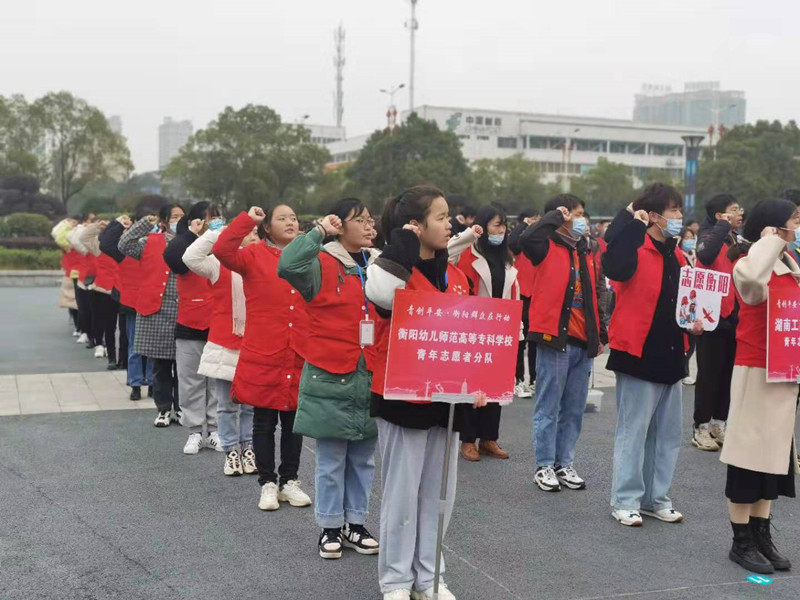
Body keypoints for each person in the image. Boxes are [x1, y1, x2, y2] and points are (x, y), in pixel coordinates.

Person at [365, 185, 487, 600]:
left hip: (447, 398)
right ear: (414, 226)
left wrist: (481, 383)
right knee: (402, 494)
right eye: (439, 216)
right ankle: (396, 580)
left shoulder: (456, 275)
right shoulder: (391, 271)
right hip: (403, 396)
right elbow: (381, 295)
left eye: (448, 215)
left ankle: (429, 576)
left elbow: (471, 337)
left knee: (439, 494)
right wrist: (402, 239)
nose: (449, 223)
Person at [278, 197, 381, 560]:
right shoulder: (321, 261)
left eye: (371, 220)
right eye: (360, 221)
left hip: (369, 371)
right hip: (329, 372)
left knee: (364, 459)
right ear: (341, 226)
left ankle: (355, 522)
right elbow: (287, 264)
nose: (369, 227)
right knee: (332, 458)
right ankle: (330, 526)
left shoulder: (376, 263)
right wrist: (319, 231)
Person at [602, 183, 694, 527]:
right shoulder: (634, 246)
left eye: (680, 211)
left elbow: (687, 299)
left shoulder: (678, 253)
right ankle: (625, 499)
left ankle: (656, 498)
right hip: (637, 352)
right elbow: (615, 268)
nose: (679, 217)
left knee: (667, 435)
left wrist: (695, 325)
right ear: (654, 215)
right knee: (634, 432)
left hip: (673, 352)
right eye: (673, 211)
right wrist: (633, 223)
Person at [213, 205, 312, 511]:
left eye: (294, 217)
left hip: (298, 349)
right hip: (264, 350)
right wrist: (247, 220)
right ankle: (268, 483)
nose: (290, 222)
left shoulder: (310, 255)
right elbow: (222, 249)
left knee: (295, 420)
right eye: (282, 218)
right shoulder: (253, 255)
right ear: (267, 227)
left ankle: (289, 480)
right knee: (264, 421)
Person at [721, 198, 799, 574]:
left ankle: (761, 533)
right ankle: (741, 541)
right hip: (755, 369)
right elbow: (752, 282)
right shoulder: (749, 263)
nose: (797, 226)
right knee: (747, 459)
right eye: (793, 220)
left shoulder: (789, 264)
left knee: (772, 461)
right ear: (773, 226)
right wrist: (768, 243)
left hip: (784, 371)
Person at [519, 194, 607, 492]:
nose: (582, 219)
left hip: (584, 341)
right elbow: (525, 238)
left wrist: (600, 335)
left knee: (573, 408)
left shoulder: (585, 250)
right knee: (548, 406)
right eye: (576, 214)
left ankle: (564, 462)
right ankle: (544, 464)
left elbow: (597, 294)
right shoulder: (545, 246)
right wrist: (553, 216)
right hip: (554, 339)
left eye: (584, 213)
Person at [183, 214, 259, 475]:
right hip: (225, 341)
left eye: (255, 234)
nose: (251, 237)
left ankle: (249, 448)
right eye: (246, 233)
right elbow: (189, 257)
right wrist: (222, 233)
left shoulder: (263, 263)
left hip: (255, 341)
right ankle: (231, 452)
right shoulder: (217, 264)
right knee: (226, 404)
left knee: (250, 405)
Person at [447, 205, 518, 462]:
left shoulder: (507, 258)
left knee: (494, 387)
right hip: (471, 329)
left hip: (499, 330)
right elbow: (446, 253)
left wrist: (515, 331)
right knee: (470, 388)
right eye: (497, 225)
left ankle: (489, 438)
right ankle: (467, 439)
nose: (501, 230)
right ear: (484, 226)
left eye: (504, 226)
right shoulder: (468, 252)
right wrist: (468, 235)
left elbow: (513, 294)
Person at [119, 204, 184, 427]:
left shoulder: (195, 242)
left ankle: (182, 408)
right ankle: (164, 409)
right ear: (165, 221)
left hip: (184, 310)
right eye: (174, 217)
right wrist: (146, 224)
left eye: (182, 217)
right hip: (155, 311)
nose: (179, 220)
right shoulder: (150, 242)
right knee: (160, 366)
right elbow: (124, 244)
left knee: (185, 367)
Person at [163, 203, 219, 455]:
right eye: (209, 218)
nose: (214, 222)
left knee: (217, 381)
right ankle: (195, 431)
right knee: (190, 381)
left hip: (220, 321)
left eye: (217, 217)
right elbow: (173, 258)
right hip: (190, 321)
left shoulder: (226, 241)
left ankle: (217, 429)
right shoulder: (186, 244)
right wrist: (190, 233)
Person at [692, 194, 743, 452]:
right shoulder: (708, 236)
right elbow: (706, 257)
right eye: (734, 210)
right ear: (719, 216)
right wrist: (722, 226)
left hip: (733, 316)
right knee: (709, 374)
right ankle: (700, 426)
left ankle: (718, 422)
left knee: (727, 375)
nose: (740, 213)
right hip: (711, 316)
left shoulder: (734, 238)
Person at [100, 212, 153, 400]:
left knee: (154, 347)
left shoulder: (158, 247)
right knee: (135, 346)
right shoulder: (124, 251)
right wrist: (117, 223)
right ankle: (136, 383)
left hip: (154, 302)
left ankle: (153, 383)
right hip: (132, 303)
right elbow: (105, 243)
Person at [508, 210, 540, 398]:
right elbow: (512, 244)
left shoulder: (541, 241)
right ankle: (518, 379)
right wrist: (524, 224)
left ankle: (535, 379)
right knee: (519, 341)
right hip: (521, 294)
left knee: (535, 341)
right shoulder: (520, 241)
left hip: (537, 295)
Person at [67, 213, 98, 349]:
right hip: (84, 276)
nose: (92, 223)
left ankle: (97, 338)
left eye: (94, 221)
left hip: (99, 278)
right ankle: (87, 333)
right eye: (90, 220)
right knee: (84, 309)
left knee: (96, 310)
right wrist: (80, 227)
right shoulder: (83, 241)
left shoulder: (98, 239)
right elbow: (72, 239)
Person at [51, 217, 80, 335]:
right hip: (71, 272)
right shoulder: (65, 239)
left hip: (85, 272)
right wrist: (65, 223)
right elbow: (56, 233)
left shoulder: (82, 239)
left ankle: (81, 326)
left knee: (80, 301)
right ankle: (78, 325)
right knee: (72, 300)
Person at [678, 227, 697, 386]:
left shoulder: (693, 256)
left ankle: (685, 369)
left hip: (694, 302)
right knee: (684, 340)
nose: (689, 240)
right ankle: (683, 371)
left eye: (692, 237)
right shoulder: (679, 255)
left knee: (692, 341)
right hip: (683, 303)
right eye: (687, 237)